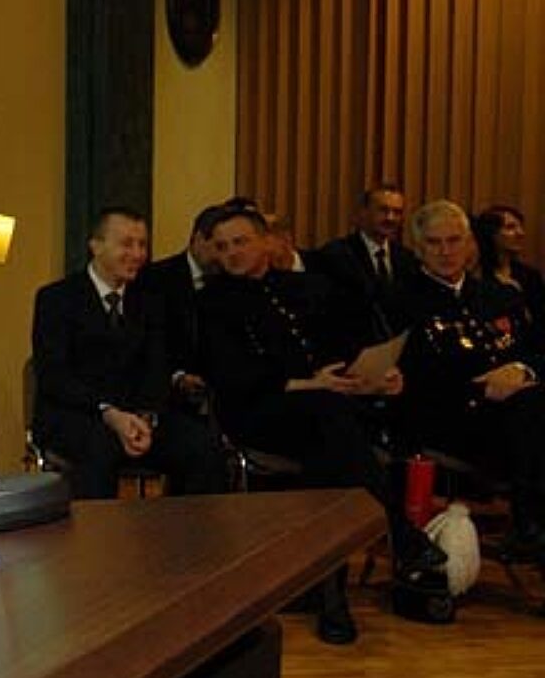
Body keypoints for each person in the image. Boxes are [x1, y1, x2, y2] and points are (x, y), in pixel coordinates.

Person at [196, 205, 444, 643]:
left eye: (240, 242)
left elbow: (344, 347)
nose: (232, 252)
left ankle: (332, 597)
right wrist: (310, 383)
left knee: (336, 445)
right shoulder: (211, 301)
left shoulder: (306, 287)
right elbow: (232, 377)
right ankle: (399, 533)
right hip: (260, 411)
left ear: (265, 242)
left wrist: (373, 376)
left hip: (327, 412)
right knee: (332, 423)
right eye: (222, 246)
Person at [31, 207, 225, 500]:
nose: (137, 254)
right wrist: (109, 412)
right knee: (100, 446)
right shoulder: (57, 298)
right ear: (96, 246)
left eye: (142, 245)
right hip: (78, 414)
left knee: (201, 445)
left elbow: (157, 367)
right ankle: (97, 530)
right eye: (126, 244)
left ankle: (184, 528)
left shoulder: (149, 300)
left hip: (137, 416)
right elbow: (54, 375)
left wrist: (145, 417)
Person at [399, 201, 545, 562]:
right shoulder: (399, 301)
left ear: (470, 245)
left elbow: (537, 349)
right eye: (434, 243)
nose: (445, 252)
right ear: (418, 248)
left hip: (517, 415)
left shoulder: (500, 296)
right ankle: (528, 524)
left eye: (454, 240)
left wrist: (521, 370)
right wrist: (481, 388)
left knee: (532, 404)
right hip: (450, 420)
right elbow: (408, 379)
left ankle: (532, 526)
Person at [138, 201, 224, 409]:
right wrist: (177, 376)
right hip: (170, 399)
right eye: (220, 247)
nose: (225, 256)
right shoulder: (154, 278)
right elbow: (148, 343)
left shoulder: (230, 280)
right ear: (198, 239)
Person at [312, 184, 416, 344]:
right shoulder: (337, 255)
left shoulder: (407, 259)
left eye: (397, 212)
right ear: (363, 212)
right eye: (383, 210)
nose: (390, 218)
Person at [472, 204, 545, 351]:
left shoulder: (530, 275)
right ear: (491, 234)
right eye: (510, 227)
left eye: (520, 227)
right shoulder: (476, 276)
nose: (521, 233)